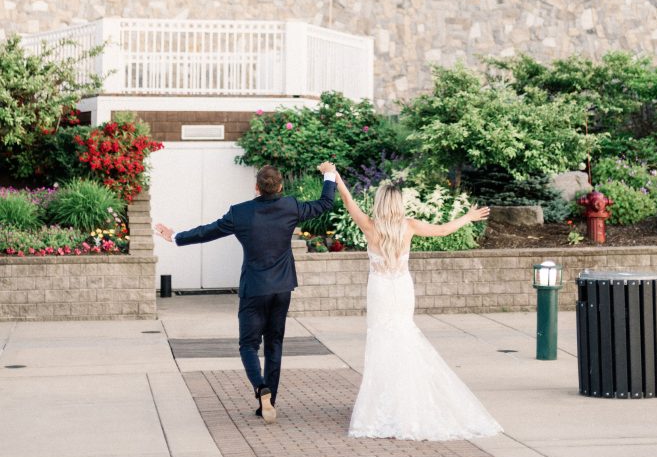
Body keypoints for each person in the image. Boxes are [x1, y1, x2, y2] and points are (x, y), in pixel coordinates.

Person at [155, 161, 337, 423]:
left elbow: (208, 232)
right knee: (274, 344)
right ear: (281, 186)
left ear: (256, 188)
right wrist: (329, 174)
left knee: (248, 345)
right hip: (282, 288)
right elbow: (324, 204)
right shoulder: (291, 206)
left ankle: (260, 387)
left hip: (254, 288)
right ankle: (269, 402)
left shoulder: (240, 213)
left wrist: (175, 237)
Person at [334, 172, 500, 440]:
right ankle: (407, 399)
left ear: (379, 203)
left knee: (381, 342)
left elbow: (347, 199)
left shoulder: (369, 225)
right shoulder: (409, 226)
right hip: (401, 289)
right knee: (405, 338)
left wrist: (336, 177)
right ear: (398, 204)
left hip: (380, 291)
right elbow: (444, 230)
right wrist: (467, 217)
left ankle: (383, 404)